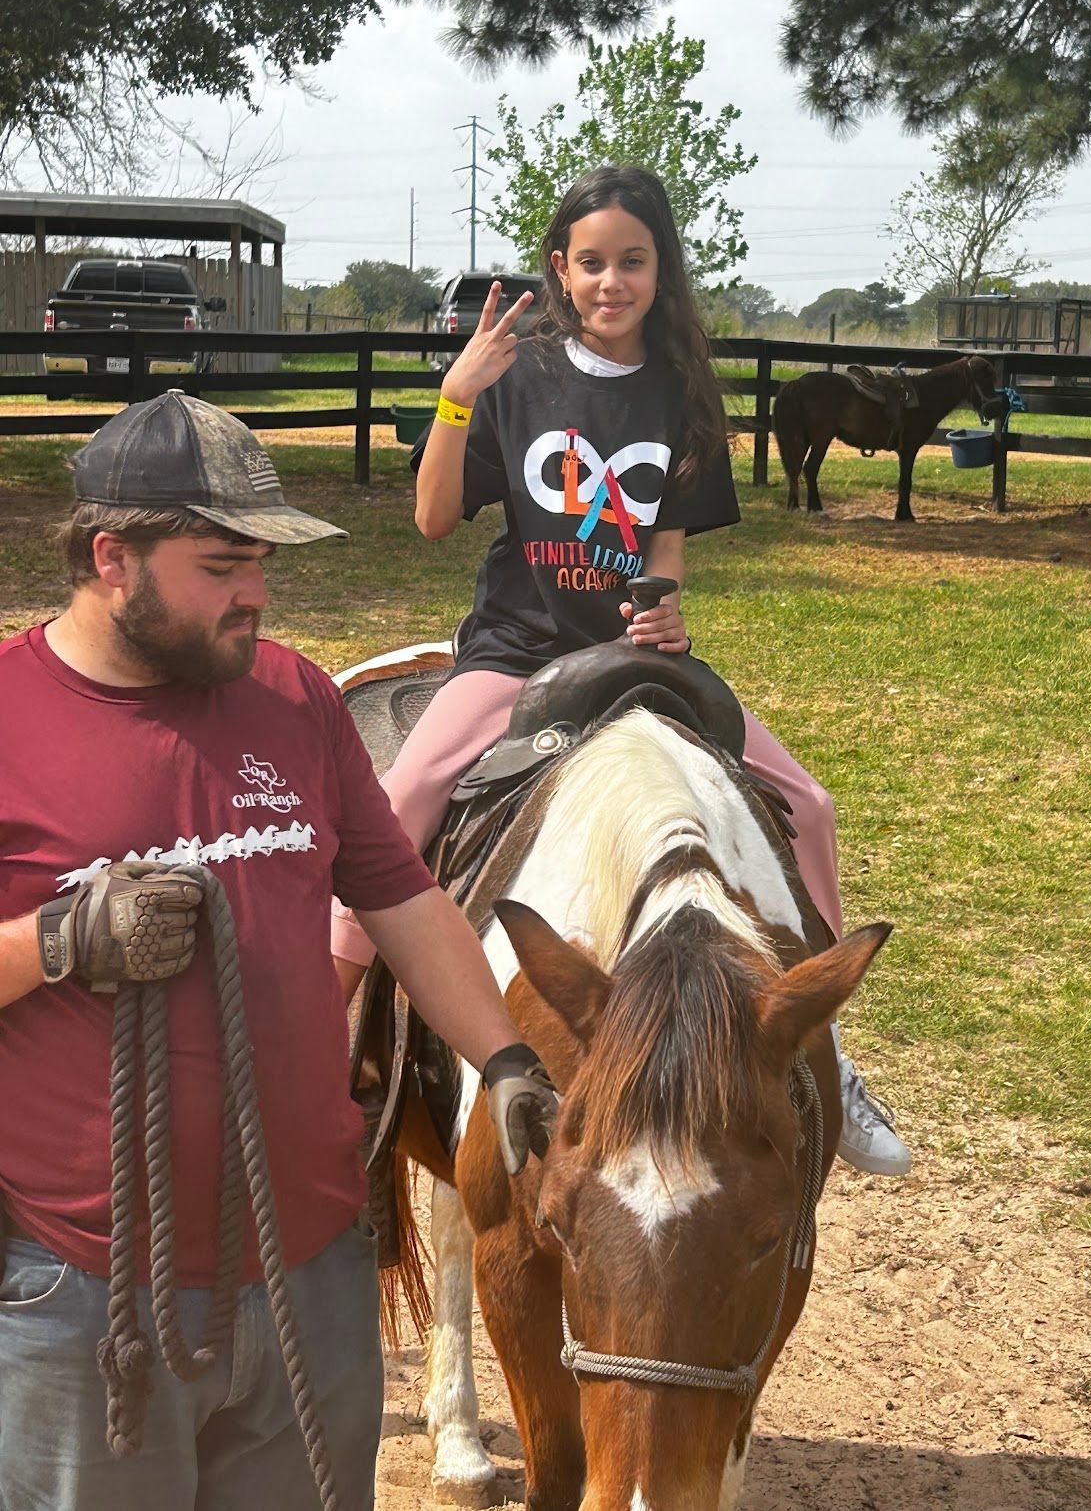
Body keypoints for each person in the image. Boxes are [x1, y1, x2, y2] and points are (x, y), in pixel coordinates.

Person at [0, 390, 557, 1511]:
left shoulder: (296, 696)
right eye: (221, 565)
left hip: (308, 1267)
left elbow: (399, 896)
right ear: (112, 556)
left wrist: (507, 1064)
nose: (255, 591)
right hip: (84, 1293)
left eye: (261, 560)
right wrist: (56, 940)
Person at [330, 164, 911, 1178]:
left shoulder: (680, 390)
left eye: (631, 262)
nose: (611, 282)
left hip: (636, 659)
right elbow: (429, 520)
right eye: (590, 262)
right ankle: (320, 1024)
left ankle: (829, 1054)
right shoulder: (517, 374)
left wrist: (668, 601)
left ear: (659, 270)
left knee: (808, 805)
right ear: (561, 268)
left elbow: (666, 539)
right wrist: (456, 399)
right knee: (406, 791)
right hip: (518, 653)